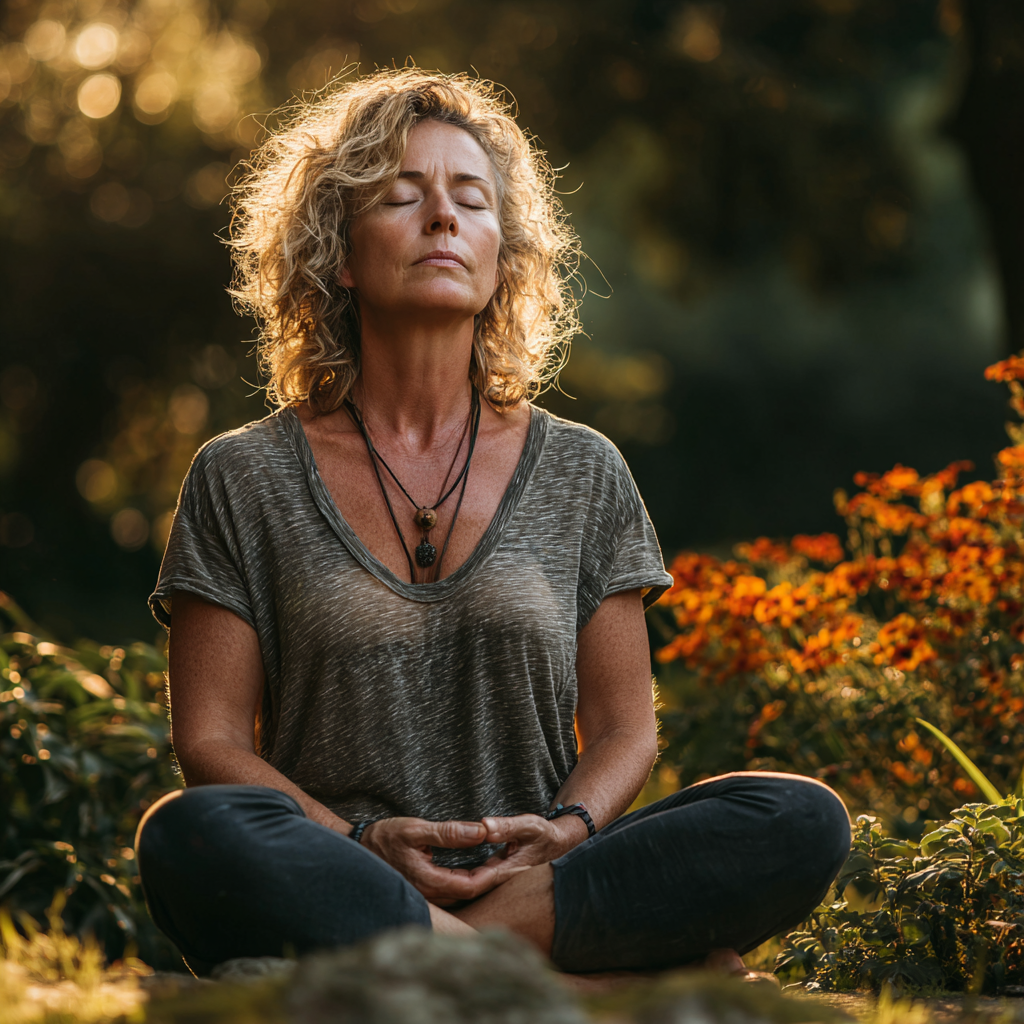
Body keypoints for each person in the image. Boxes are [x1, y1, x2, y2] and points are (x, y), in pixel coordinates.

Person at [136, 69, 850, 981]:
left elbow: (626, 728)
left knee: (798, 818)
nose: (443, 217)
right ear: (339, 255)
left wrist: (565, 832)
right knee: (192, 835)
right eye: (403, 195)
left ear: (502, 255)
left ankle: (457, 954)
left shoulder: (584, 470)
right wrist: (362, 841)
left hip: (542, 871)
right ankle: (549, 970)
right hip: (343, 868)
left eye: (470, 200)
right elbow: (212, 742)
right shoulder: (242, 475)